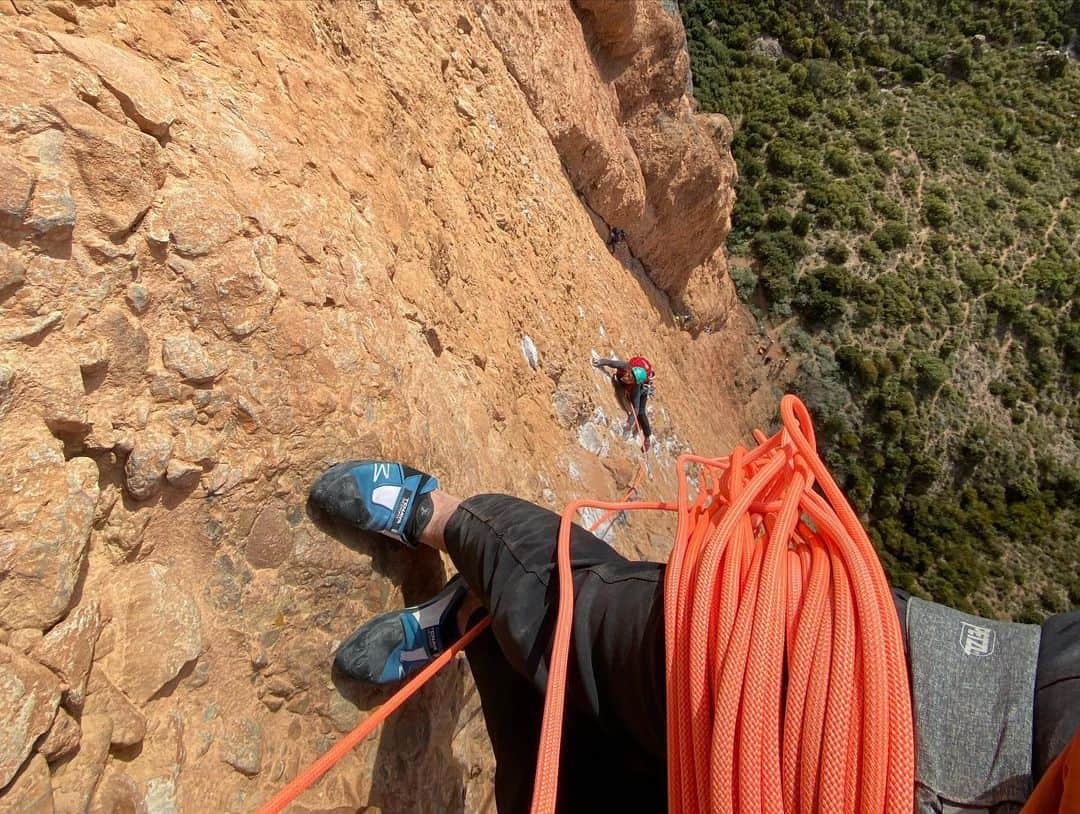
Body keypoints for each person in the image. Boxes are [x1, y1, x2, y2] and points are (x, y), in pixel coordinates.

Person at [309, 460, 1080, 813]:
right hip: (874, 690)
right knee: (582, 622)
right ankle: (442, 515)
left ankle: (474, 626)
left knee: (572, 788)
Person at [593, 355, 654, 450]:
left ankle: (647, 437)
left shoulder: (635, 389)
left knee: (641, 413)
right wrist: (600, 361)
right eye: (629, 375)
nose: (627, 378)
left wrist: (629, 424)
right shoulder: (625, 367)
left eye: (631, 380)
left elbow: (636, 409)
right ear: (629, 370)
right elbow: (611, 363)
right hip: (634, 378)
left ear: (635, 382)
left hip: (643, 390)